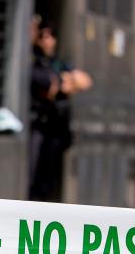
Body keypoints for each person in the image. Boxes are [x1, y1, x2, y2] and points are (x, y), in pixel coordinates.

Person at [29, 22, 91, 202]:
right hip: (40, 125)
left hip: (57, 129)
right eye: (43, 37)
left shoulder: (58, 62)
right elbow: (51, 85)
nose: (47, 41)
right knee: (35, 176)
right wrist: (62, 81)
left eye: (50, 37)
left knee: (49, 178)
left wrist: (65, 80)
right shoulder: (35, 60)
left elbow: (83, 81)